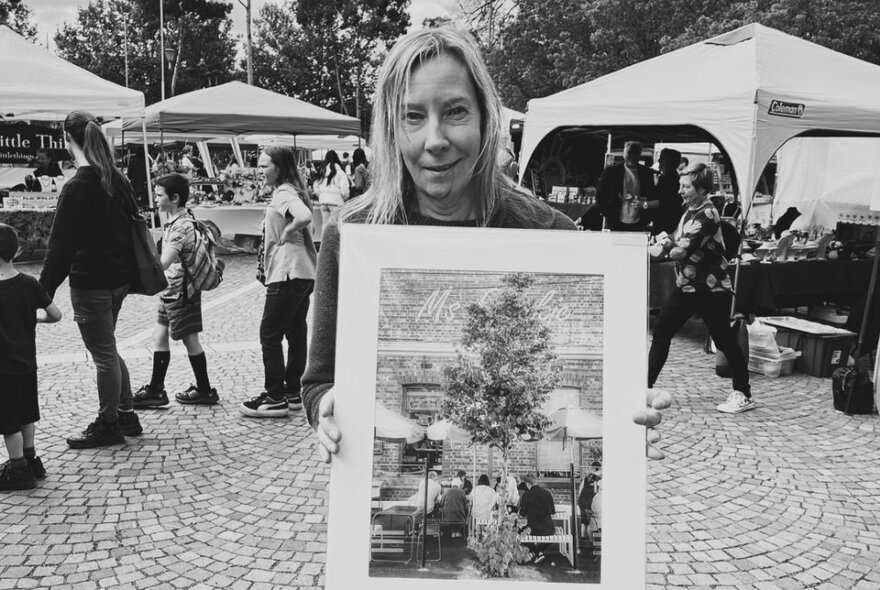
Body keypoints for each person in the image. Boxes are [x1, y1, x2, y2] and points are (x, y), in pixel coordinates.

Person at [301, 27, 670, 466]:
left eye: (455, 111)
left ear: (484, 118)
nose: (434, 140)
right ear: (391, 129)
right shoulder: (354, 234)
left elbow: (597, 381)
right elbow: (319, 380)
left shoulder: (551, 235)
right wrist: (326, 408)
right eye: (413, 116)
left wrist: (625, 411)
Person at [40, 110, 145, 448]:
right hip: (119, 281)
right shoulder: (117, 179)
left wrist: (39, 295)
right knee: (108, 348)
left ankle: (108, 423)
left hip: (92, 284)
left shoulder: (77, 187)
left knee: (102, 354)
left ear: (67, 140)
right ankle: (126, 413)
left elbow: (59, 251)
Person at [648, 163, 755, 414]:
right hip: (689, 285)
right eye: (681, 185)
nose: (680, 190)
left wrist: (657, 248)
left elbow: (680, 249)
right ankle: (645, 386)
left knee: (724, 340)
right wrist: (665, 240)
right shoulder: (690, 209)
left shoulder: (706, 214)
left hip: (710, 288)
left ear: (701, 189)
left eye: (685, 186)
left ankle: (743, 393)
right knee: (663, 330)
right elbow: (676, 237)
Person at [240, 147, 316, 418]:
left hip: (288, 272)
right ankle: (292, 392)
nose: (260, 172)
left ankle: (275, 397)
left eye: (264, 166)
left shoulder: (284, 192)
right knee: (295, 334)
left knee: (269, 335)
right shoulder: (295, 190)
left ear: (279, 167)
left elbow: (305, 218)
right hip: (303, 273)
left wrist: (288, 229)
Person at [132, 174, 219, 409]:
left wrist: (136, 264)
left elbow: (164, 263)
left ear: (175, 198)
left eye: (160, 195)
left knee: (190, 339)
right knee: (159, 335)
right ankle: (156, 389)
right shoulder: (176, 220)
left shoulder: (181, 227)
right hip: (170, 289)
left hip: (182, 291)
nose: (156, 200)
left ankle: (204, 389)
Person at [0, 224, 62, 491]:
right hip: (26, 364)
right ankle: (30, 459)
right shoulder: (28, 283)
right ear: (17, 250)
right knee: (27, 415)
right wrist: (37, 317)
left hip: (2, 369)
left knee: (8, 422)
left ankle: (18, 470)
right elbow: (56, 314)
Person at [596, 141, 656, 231]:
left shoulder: (646, 173)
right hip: (616, 221)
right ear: (624, 153)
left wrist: (647, 215)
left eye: (635, 153)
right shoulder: (611, 172)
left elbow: (651, 195)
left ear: (639, 154)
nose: (632, 156)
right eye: (629, 153)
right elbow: (600, 196)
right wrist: (608, 214)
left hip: (639, 222)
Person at [518, 473, 556, 563]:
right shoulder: (547, 493)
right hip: (549, 529)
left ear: (528, 484)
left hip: (533, 530)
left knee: (520, 531)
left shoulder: (526, 495)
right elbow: (553, 512)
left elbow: (522, 514)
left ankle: (533, 552)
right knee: (549, 537)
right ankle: (538, 552)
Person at [652, 148, 683, 235]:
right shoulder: (665, 177)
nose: (658, 160)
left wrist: (643, 204)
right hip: (664, 220)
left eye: (661, 158)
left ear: (667, 161)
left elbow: (663, 202)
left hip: (666, 222)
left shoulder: (670, 179)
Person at [313, 150, 350, 222]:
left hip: (323, 201)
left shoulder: (322, 172)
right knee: (335, 226)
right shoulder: (340, 173)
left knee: (325, 224)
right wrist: (343, 199)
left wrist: (321, 195)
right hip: (336, 202)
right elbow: (345, 191)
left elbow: (316, 187)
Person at [577, 461, 602, 541]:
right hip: (589, 502)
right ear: (599, 469)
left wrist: (580, 501)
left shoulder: (586, 477)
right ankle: (591, 542)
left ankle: (583, 539)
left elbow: (580, 490)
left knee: (584, 521)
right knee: (590, 522)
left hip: (582, 500)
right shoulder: (599, 479)